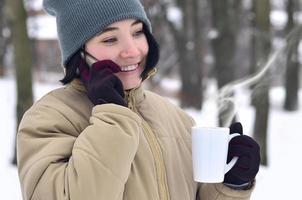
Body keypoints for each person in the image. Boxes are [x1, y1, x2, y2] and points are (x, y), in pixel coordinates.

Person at [17, 0, 260, 199]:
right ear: (78, 54)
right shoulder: (48, 119)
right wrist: (112, 115)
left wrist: (230, 184)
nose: (132, 51)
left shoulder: (177, 119)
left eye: (137, 32)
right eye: (110, 39)